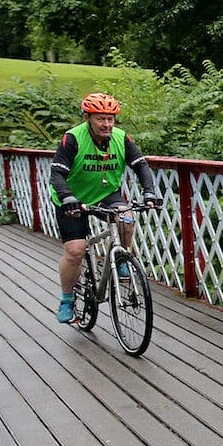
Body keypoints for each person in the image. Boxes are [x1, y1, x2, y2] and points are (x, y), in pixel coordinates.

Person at [49, 92, 162, 323]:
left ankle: (121, 259)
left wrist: (149, 191)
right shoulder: (73, 139)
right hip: (71, 198)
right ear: (87, 118)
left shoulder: (122, 138)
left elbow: (141, 165)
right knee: (75, 251)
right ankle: (67, 299)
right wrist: (67, 197)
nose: (107, 124)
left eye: (110, 119)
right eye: (101, 118)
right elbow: (57, 173)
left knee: (126, 217)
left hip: (105, 194)